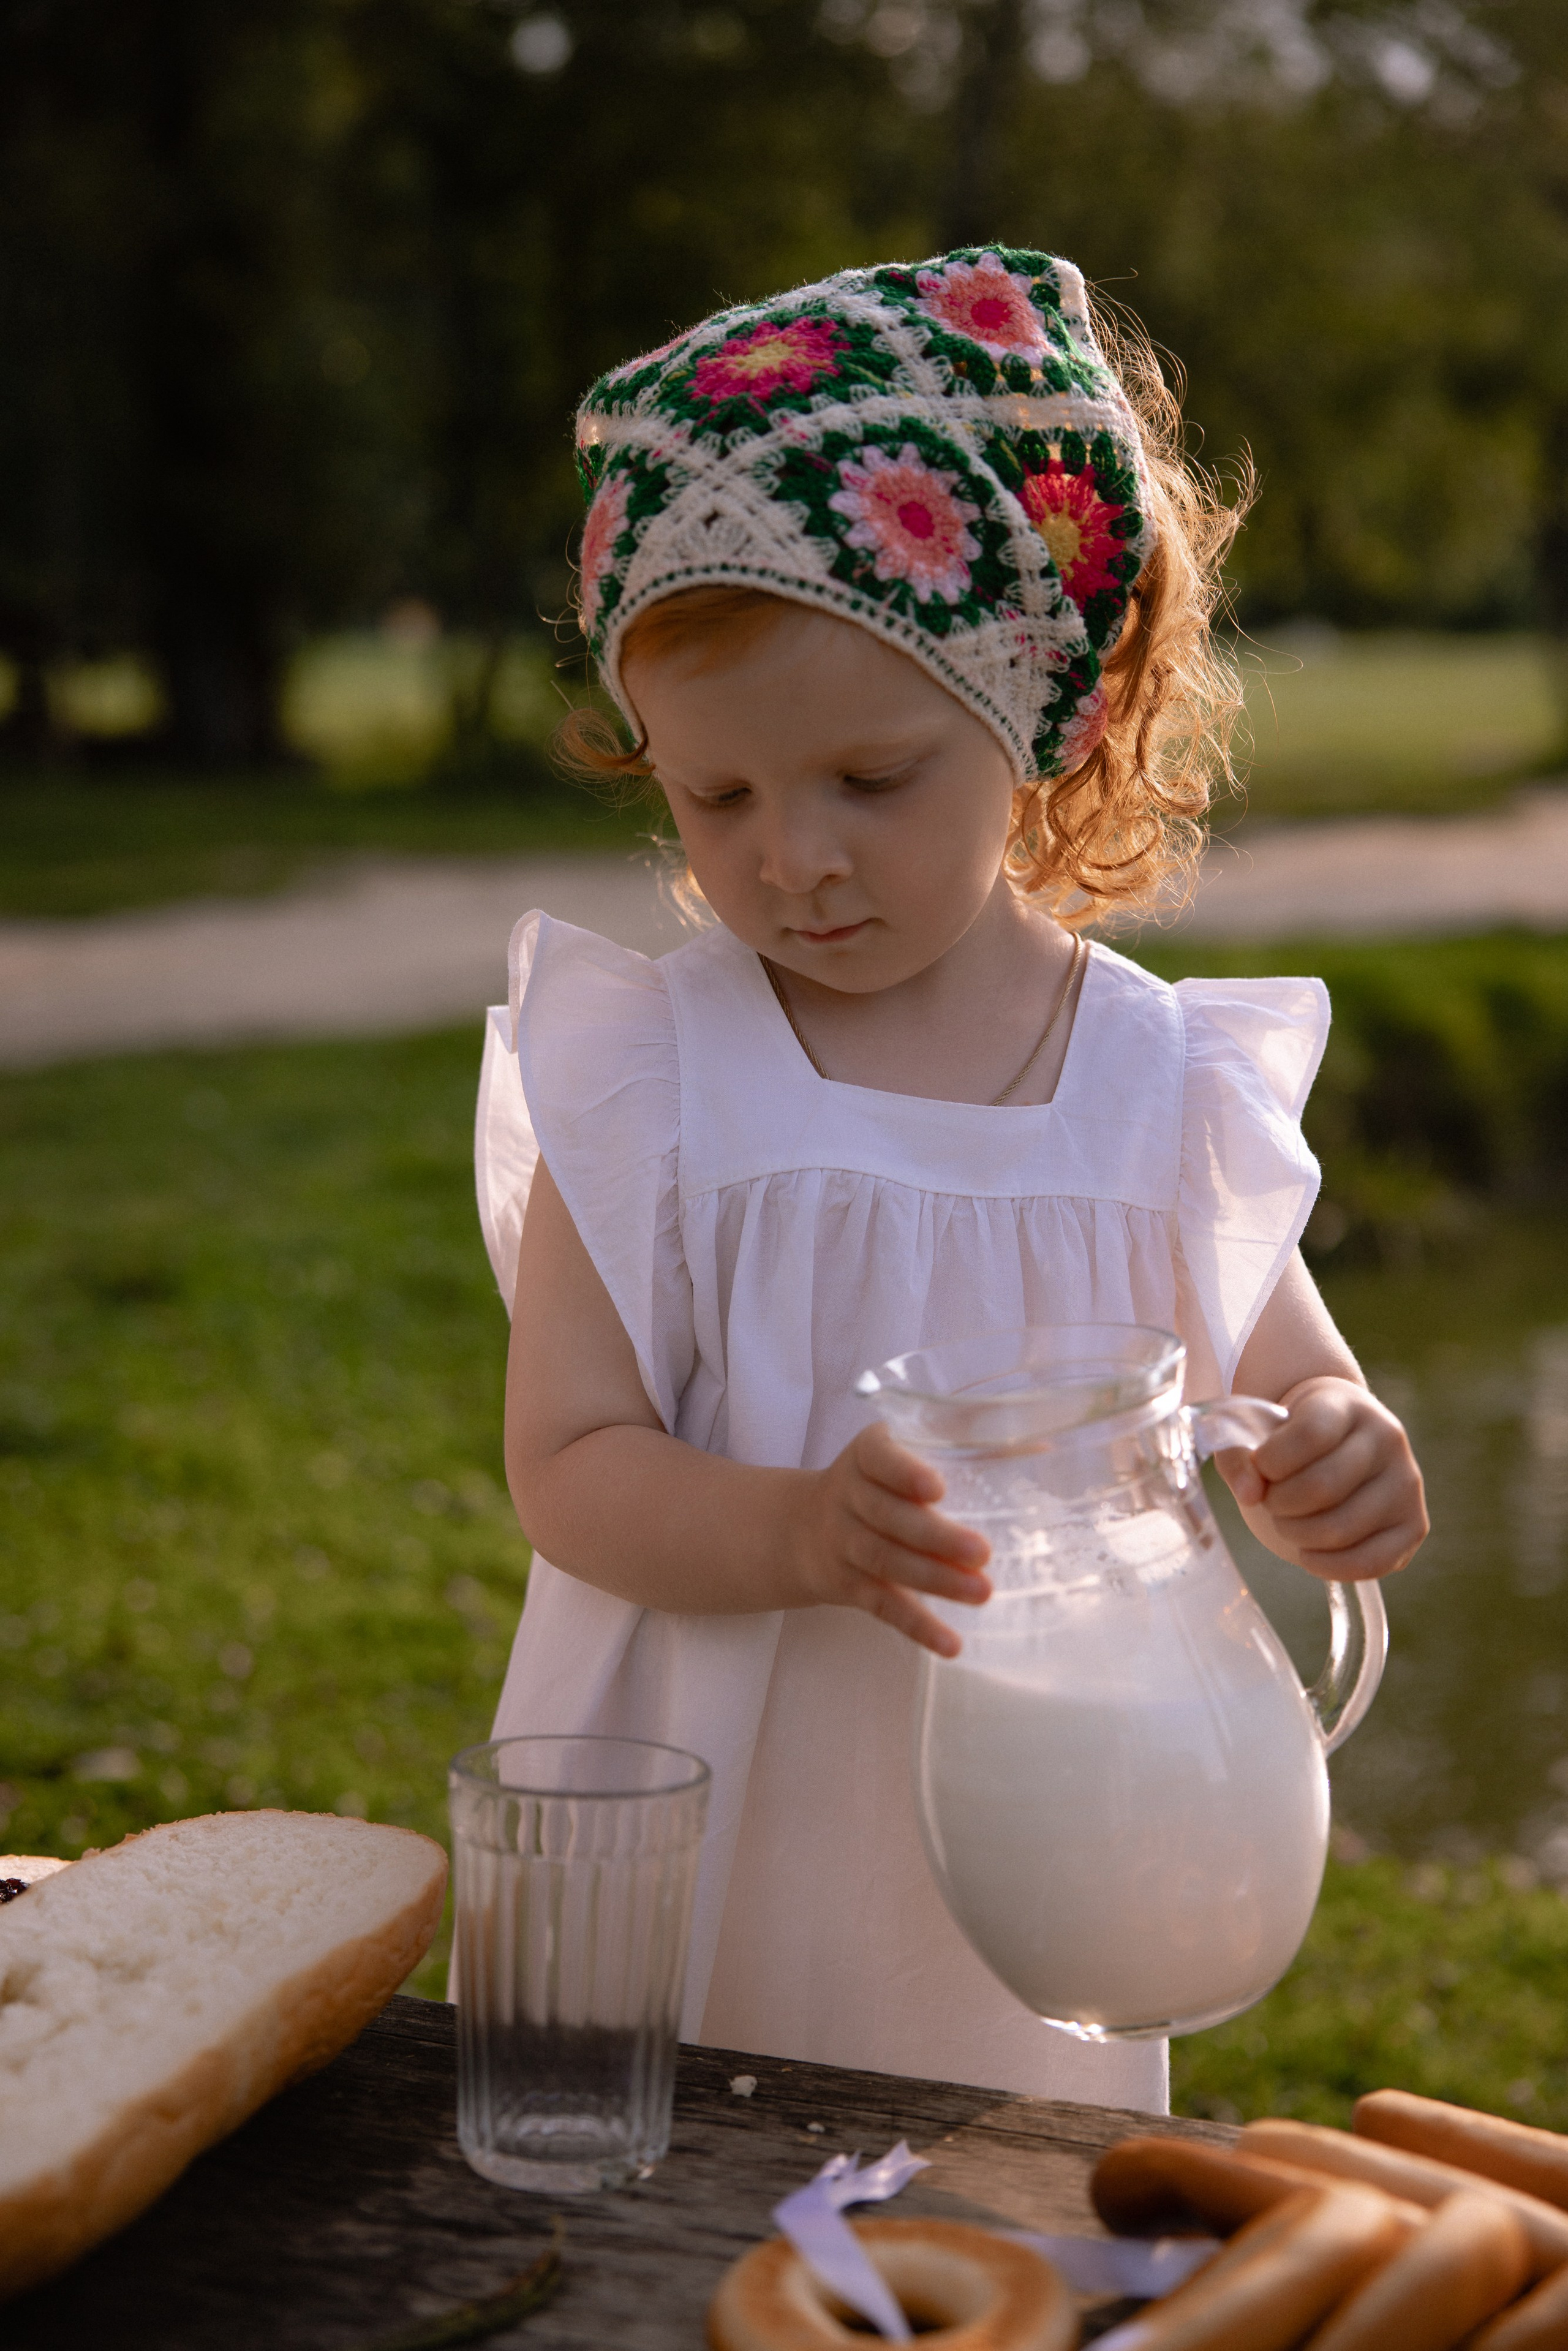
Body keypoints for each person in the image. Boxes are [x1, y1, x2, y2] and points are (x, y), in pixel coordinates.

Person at [474, 248, 1428, 2111]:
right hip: (702, 1832)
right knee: (670, 2230)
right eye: (719, 798)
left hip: (1054, 1831)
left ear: (1041, 715)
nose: (793, 859)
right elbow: (568, 1465)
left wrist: (1340, 1456)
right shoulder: (659, 1073)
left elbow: (1292, 1386)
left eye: (871, 777)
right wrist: (801, 1539)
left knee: (1001, 2216)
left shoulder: (1157, 1087)